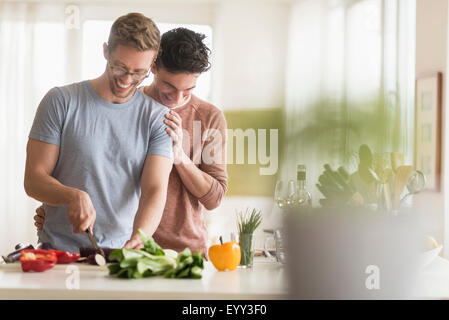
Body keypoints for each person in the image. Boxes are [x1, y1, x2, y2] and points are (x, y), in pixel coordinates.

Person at [34, 27, 228, 256]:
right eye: (169, 86)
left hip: (181, 251)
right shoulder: (124, 104)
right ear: (153, 67)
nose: (176, 99)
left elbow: (215, 198)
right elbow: (94, 172)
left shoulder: (209, 117)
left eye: (188, 90)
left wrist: (181, 159)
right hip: (121, 247)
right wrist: (58, 207)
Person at [25, 13, 174, 253]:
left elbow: (154, 190)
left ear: (152, 66)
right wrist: (71, 195)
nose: (127, 79)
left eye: (138, 72)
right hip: (58, 253)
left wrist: (140, 236)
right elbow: (33, 180)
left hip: (121, 254)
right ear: (106, 51)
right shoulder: (61, 101)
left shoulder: (158, 118)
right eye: (120, 67)